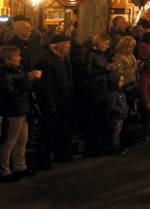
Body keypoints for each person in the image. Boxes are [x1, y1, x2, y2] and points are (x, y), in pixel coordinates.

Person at [34, 34, 75, 167]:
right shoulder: (46, 60)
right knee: (48, 130)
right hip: (53, 101)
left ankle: (62, 153)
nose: (69, 47)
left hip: (64, 100)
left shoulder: (63, 59)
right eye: (66, 44)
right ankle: (43, 158)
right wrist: (50, 102)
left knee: (63, 128)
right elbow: (46, 84)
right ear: (57, 45)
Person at [1, 45, 40, 182]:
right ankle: (4, 170)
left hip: (23, 108)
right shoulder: (5, 73)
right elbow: (11, 93)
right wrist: (28, 79)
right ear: (8, 59)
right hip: (13, 110)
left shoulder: (18, 70)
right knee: (10, 141)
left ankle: (20, 166)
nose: (20, 58)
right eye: (17, 56)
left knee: (22, 140)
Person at [85, 34, 116, 155]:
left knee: (103, 118)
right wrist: (106, 69)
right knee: (95, 119)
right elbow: (88, 71)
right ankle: (94, 147)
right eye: (105, 44)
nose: (107, 47)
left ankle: (103, 145)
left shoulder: (102, 55)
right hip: (95, 90)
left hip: (103, 89)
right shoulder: (90, 55)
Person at [107, 73, 129, 153]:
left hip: (121, 116)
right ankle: (115, 147)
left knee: (118, 132)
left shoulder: (121, 92)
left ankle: (118, 146)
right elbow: (112, 106)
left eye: (123, 81)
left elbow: (124, 102)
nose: (122, 83)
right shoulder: (113, 94)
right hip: (116, 117)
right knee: (115, 133)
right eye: (120, 81)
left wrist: (126, 108)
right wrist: (120, 110)